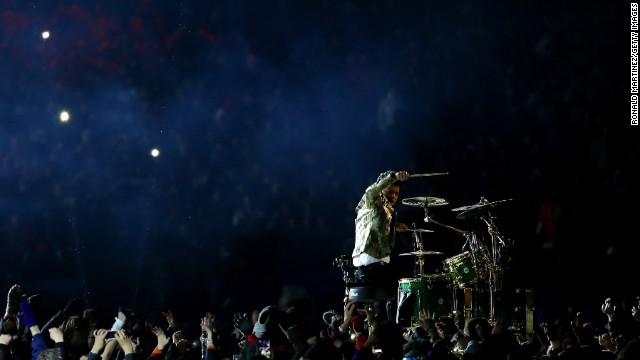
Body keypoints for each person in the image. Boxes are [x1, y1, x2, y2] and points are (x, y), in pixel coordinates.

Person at [350, 170, 411, 321]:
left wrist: (395, 226)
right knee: (403, 290)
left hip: (374, 263)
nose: (394, 196)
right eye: (390, 191)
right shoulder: (371, 198)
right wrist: (394, 177)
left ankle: (388, 325)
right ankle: (393, 329)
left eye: (396, 193)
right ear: (381, 188)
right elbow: (372, 190)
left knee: (403, 285)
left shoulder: (384, 208)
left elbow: (375, 222)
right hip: (371, 264)